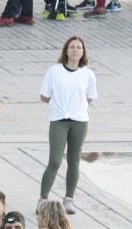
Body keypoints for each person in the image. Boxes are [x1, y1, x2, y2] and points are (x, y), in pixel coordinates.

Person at [38, 36, 97, 212]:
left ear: (83, 52)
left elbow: (90, 97)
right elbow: (44, 96)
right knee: (55, 160)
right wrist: (59, 105)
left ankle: (69, 198)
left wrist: (76, 107)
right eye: (72, 47)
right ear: (66, 50)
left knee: (74, 160)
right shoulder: (54, 71)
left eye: (79, 47)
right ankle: (43, 199)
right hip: (58, 121)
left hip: (79, 121)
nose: (75, 50)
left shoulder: (88, 74)